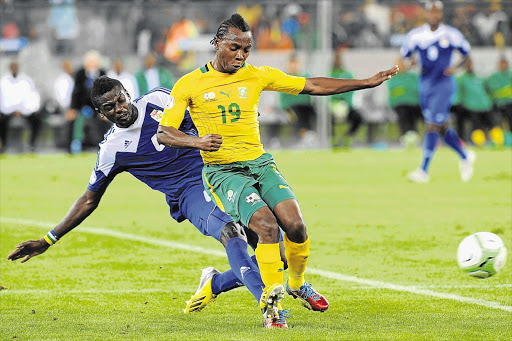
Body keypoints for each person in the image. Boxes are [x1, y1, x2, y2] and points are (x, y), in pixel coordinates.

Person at [156, 13, 398, 328]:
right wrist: (197, 141)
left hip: (260, 163)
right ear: (216, 44)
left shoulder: (257, 75)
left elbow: (312, 85)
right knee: (266, 226)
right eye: (234, 48)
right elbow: (164, 133)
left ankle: (296, 284)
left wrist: (364, 82)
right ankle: (272, 307)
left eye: (246, 48)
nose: (241, 56)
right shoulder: (190, 83)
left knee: (296, 226)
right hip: (223, 171)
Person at [6, 76, 282, 329]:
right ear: (102, 115)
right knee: (230, 233)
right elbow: (89, 199)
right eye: (110, 107)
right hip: (189, 193)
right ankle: (270, 310)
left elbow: (203, 112)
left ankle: (215, 283)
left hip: (222, 175)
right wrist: (49, 239)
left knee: (276, 252)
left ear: (127, 93)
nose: (119, 108)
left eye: (121, 99)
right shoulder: (112, 150)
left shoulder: (160, 99)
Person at [400, 1, 475, 183]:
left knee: (432, 124)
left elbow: (466, 54)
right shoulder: (416, 35)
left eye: (437, 12)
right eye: (430, 11)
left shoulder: (451, 34)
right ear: (425, 14)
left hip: (443, 83)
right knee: (439, 126)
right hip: (425, 83)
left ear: (441, 14)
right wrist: (410, 64)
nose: (433, 15)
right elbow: (404, 56)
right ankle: (464, 155)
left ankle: (423, 170)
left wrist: (455, 68)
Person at [69, 50, 108, 154]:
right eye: (89, 62)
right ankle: (76, 143)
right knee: (79, 121)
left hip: (98, 107)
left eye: (94, 62)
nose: (91, 65)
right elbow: (76, 92)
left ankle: (104, 145)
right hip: (83, 106)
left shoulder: (102, 73)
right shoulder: (80, 74)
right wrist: (73, 108)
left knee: (105, 121)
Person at [0, 61, 41, 153]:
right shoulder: (3, 80)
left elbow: (31, 96)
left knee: (36, 121)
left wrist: (23, 110)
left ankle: (31, 144)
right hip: (8, 110)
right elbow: (3, 99)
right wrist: (12, 109)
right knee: (2, 122)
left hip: (24, 110)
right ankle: (3, 144)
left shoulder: (26, 80)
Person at [279, 54, 317, 146]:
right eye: (291, 64)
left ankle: (310, 136)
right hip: (290, 107)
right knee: (296, 116)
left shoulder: (304, 76)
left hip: (305, 106)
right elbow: (283, 98)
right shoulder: (283, 78)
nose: (293, 66)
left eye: (295, 63)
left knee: (314, 112)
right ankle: (302, 139)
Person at [457, 58, 495, 145]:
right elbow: (459, 94)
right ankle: (479, 143)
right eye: (467, 64)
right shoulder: (462, 79)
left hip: (486, 105)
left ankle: (498, 142)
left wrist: (490, 101)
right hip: (471, 106)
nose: (469, 66)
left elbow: (488, 90)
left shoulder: (480, 77)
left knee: (493, 124)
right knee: (476, 126)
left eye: (470, 64)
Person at [330, 50, 363, 147]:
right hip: (332, 106)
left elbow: (352, 90)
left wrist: (347, 105)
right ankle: (333, 140)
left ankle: (347, 137)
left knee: (358, 118)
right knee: (327, 119)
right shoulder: (329, 74)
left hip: (346, 105)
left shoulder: (347, 74)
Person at [386, 57, 422, 140]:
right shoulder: (393, 77)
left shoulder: (413, 76)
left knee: (414, 117)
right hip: (400, 104)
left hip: (414, 103)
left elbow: (417, 88)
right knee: (403, 116)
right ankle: (405, 135)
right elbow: (394, 90)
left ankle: (413, 135)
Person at [486, 56, 512, 133]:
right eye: (501, 64)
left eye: (504, 64)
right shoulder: (494, 76)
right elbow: (491, 89)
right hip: (499, 104)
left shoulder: (510, 74)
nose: (502, 65)